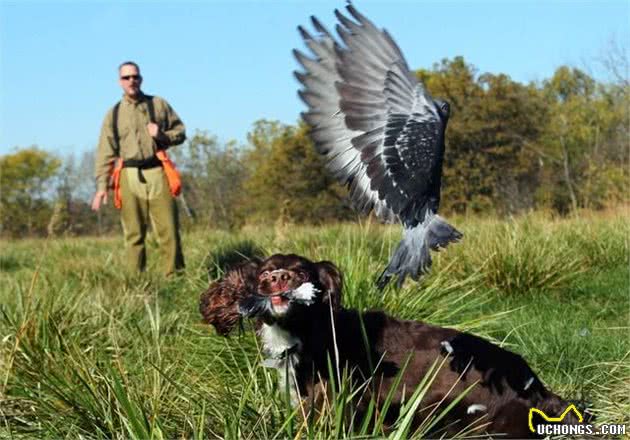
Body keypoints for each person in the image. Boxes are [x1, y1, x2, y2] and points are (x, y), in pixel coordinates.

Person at [91, 61, 186, 275]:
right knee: (133, 234)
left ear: (141, 79)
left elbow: (180, 132)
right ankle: (135, 282)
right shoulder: (113, 114)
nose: (131, 81)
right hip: (128, 174)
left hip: (158, 170)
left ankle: (175, 279)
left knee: (169, 230)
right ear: (119, 82)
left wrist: (161, 134)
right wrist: (101, 187)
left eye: (135, 76)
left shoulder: (158, 104)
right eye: (126, 78)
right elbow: (105, 152)